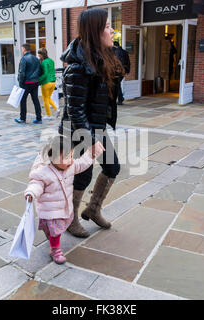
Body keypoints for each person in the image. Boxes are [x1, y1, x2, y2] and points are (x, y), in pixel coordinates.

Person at [59, 8, 124, 238]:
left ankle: (93, 209)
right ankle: (70, 219)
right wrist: (90, 141)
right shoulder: (77, 66)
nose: (112, 30)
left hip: (96, 127)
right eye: (107, 26)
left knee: (112, 167)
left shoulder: (101, 58)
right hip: (79, 131)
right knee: (82, 175)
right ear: (95, 31)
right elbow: (75, 110)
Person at [24, 135, 105, 264]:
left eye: (72, 156)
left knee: (56, 230)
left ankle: (53, 244)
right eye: (67, 157)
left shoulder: (70, 166)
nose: (71, 160)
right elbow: (36, 184)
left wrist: (91, 153)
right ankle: (53, 245)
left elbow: (82, 164)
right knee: (53, 231)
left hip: (63, 208)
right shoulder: (43, 172)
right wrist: (31, 193)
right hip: (49, 210)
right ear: (54, 157)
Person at [15, 43, 42, 124]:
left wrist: (20, 83)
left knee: (23, 100)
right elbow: (40, 71)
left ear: (24, 49)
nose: (21, 50)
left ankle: (22, 118)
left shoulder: (24, 59)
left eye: (22, 49)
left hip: (26, 83)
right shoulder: (36, 59)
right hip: (35, 82)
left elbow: (22, 72)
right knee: (35, 100)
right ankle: (39, 118)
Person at [38, 48, 60, 120]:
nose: (38, 55)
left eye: (39, 54)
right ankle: (57, 109)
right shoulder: (51, 61)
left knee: (45, 100)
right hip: (53, 82)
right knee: (48, 98)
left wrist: (39, 81)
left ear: (41, 55)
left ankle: (48, 115)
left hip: (46, 83)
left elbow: (45, 74)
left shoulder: (44, 62)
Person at [113, 41, 130, 105]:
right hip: (123, 71)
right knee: (117, 84)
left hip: (118, 71)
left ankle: (120, 98)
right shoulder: (124, 52)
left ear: (114, 46)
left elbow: (119, 63)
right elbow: (128, 62)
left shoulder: (117, 52)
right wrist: (127, 71)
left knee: (116, 84)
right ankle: (120, 98)